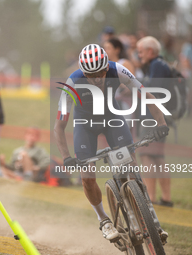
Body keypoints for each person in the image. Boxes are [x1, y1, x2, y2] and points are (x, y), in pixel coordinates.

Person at [54, 44, 169, 242]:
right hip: (85, 124)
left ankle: (150, 219)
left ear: (106, 68)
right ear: (83, 72)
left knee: (130, 166)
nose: (96, 79)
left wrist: (161, 122)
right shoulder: (73, 82)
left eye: (100, 73)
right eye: (91, 75)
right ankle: (104, 220)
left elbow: (145, 95)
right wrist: (66, 157)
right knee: (87, 176)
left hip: (112, 119)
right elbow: (59, 126)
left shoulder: (119, 70)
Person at [137, 36, 173, 207]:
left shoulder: (156, 65)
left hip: (153, 118)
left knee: (147, 156)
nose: (139, 56)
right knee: (158, 157)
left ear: (150, 51)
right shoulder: (161, 65)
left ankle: (150, 197)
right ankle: (166, 198)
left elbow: (153, 91)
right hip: (161, 116)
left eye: (141, 52)